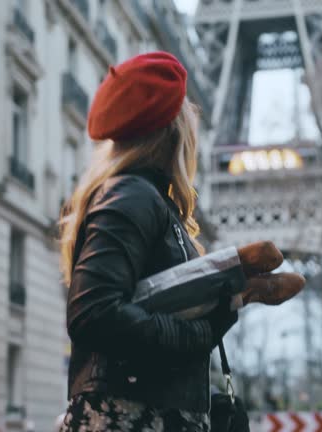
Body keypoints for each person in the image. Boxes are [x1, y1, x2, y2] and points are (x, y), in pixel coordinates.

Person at [57, 52, 245, 431]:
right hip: (132, 416)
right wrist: (203, 332)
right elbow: (93, 312)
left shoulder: (154, 201)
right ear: (172, 130)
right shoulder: (132, 195)